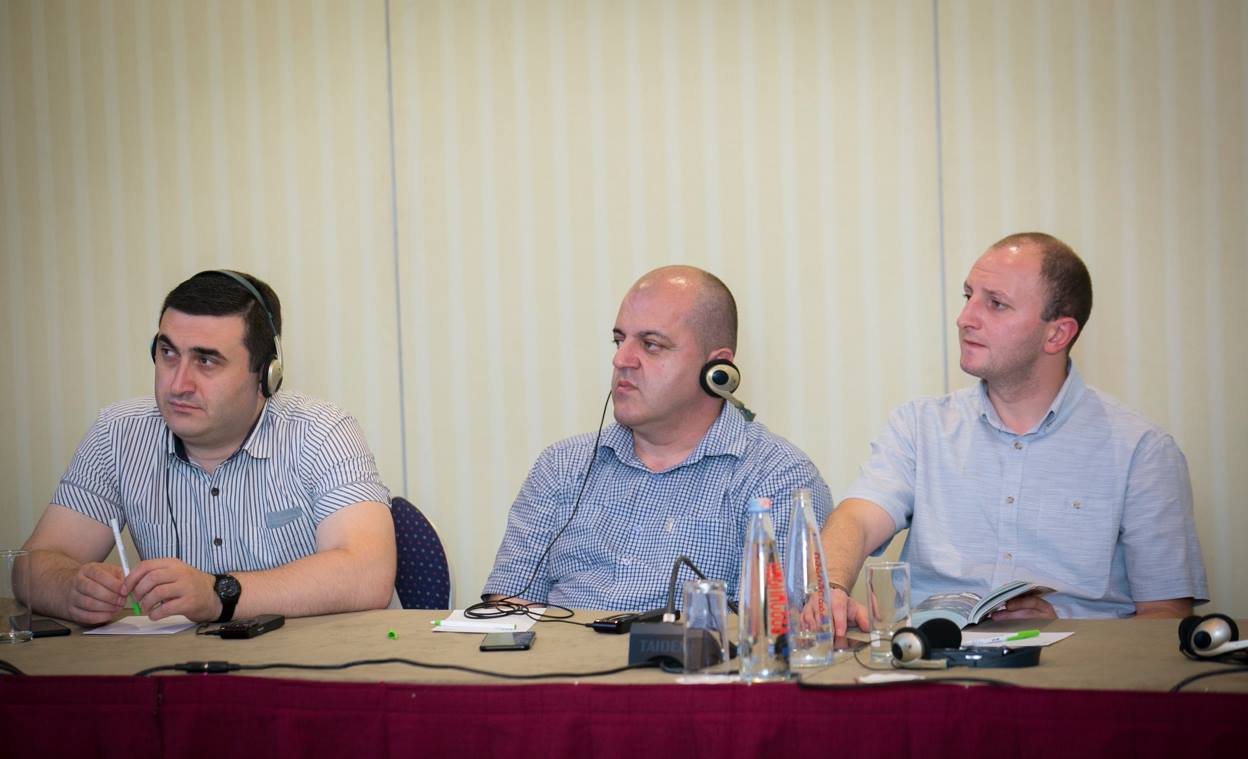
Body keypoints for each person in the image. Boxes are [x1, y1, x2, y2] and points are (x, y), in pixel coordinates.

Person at [820, 233, 1207, 633]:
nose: (965, 318)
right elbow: (857, 518)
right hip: (934, 655)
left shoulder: (1142, 451)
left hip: (1078, 664)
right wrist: (829, 586)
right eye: (968, 295)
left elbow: (1166, 617)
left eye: (996, 304)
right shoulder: (919, 426)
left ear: (1057, 334)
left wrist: (1067, 625)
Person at [21, 270, 396, 625]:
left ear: (267, 374)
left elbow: (367, 573)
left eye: (206, 360)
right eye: (168, 354)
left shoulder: (321, 431)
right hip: (182, 664)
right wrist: (70, 588)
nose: (178, 385)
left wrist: (219, 594)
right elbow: (31, 564)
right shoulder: (118, 434)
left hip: (316, 661)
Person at [483, 265, 832, 611]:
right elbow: (509, 607)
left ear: (717, 370)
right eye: (619, 340)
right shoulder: (562, 465)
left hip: (691, 650)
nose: (621, 359)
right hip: (559, 648)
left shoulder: (779, 478)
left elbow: (775, 628)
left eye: (651, 345)